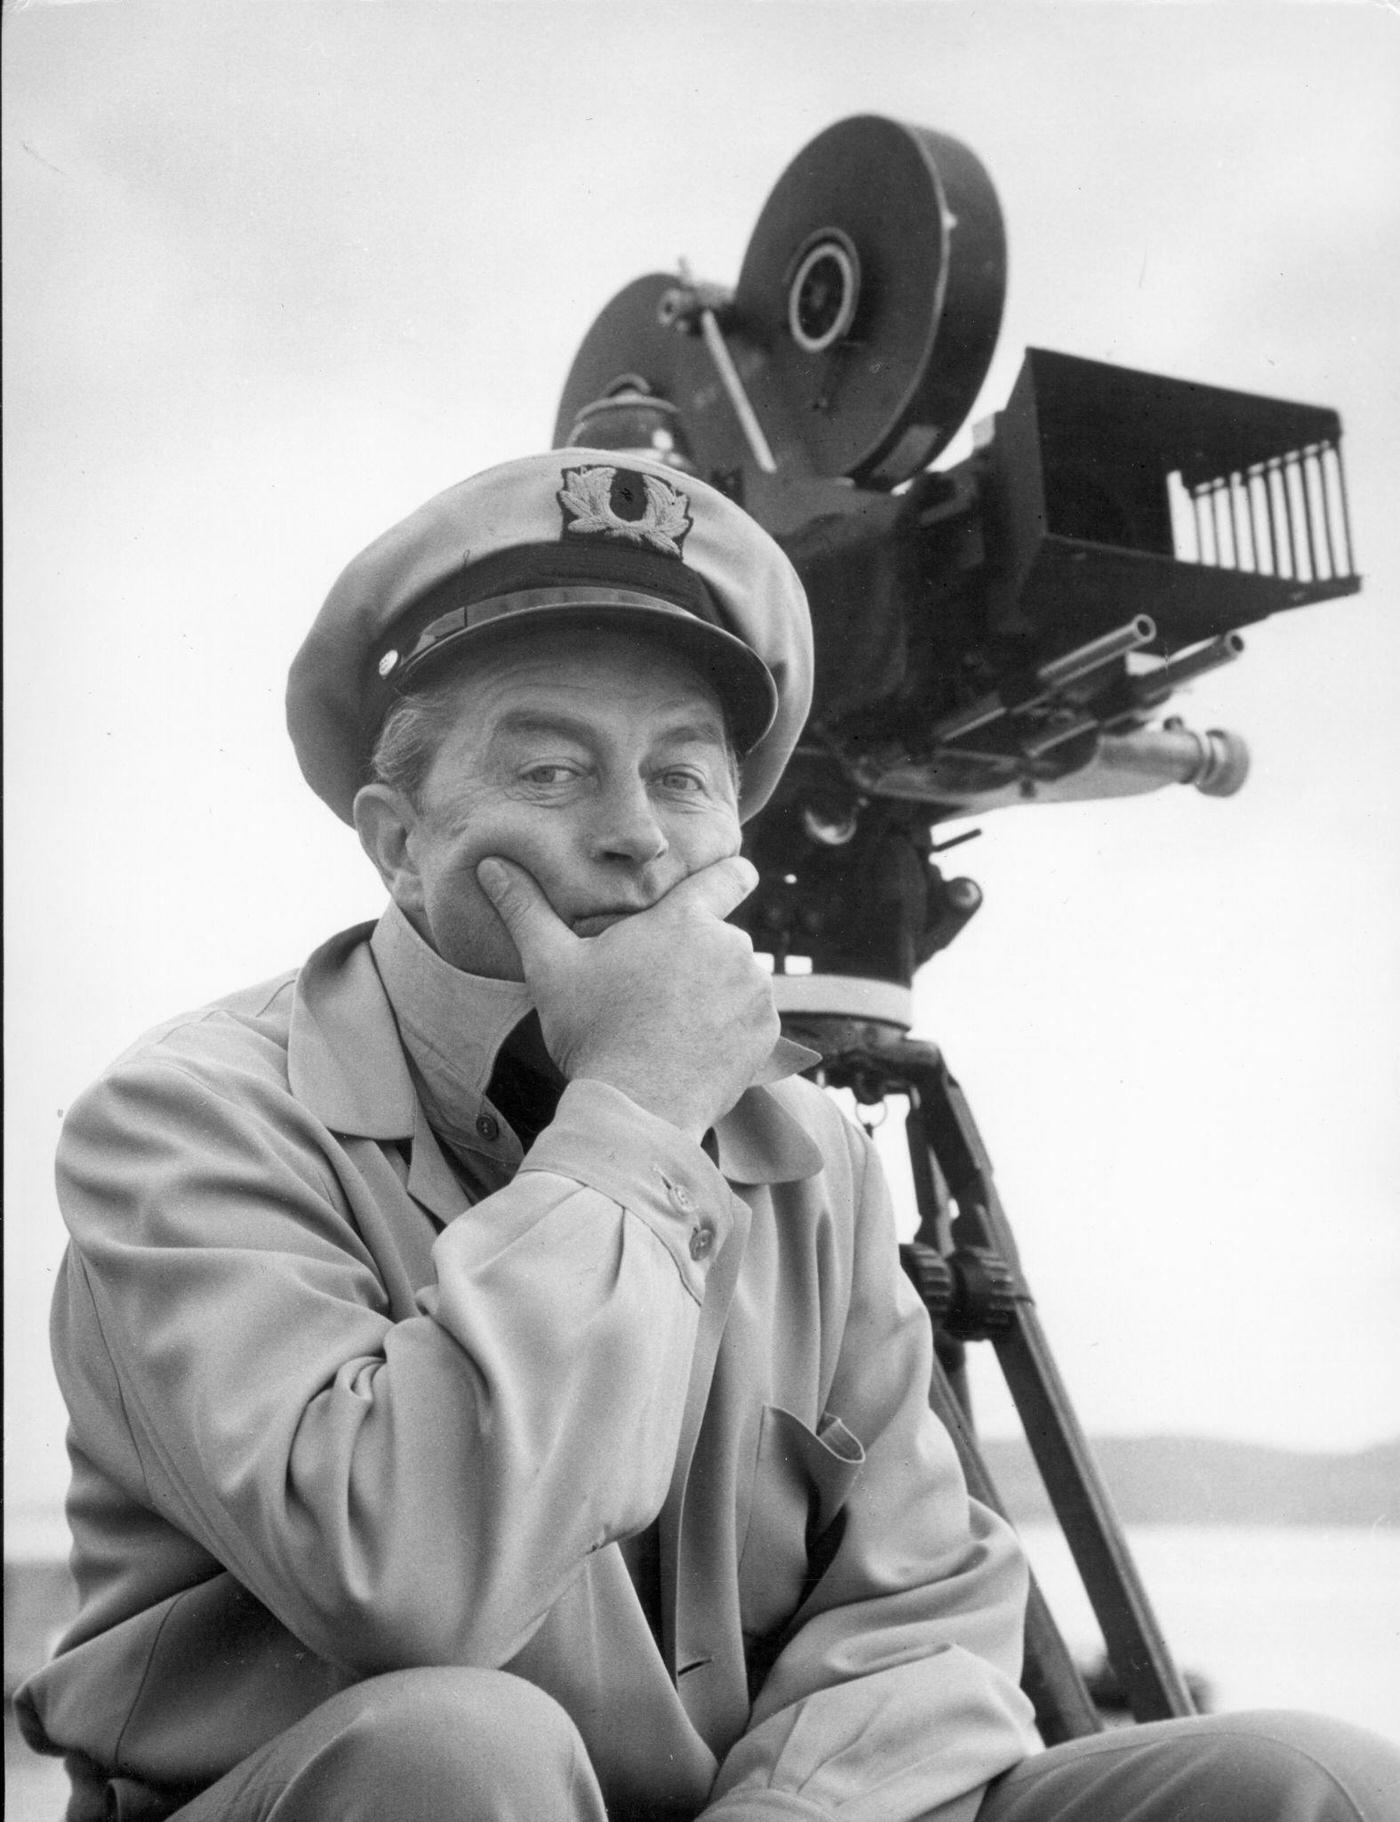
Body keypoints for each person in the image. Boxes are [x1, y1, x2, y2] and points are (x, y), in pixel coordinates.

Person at [17, 452, 1400, 1822]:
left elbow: (923, 1612)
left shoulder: (808, 1150)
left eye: (683, 776)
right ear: (396, 839)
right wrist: (628, 1118)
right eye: (553, 768)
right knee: (456, 1746)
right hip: (383, 1795)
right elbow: (404, 1573)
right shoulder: (191, 1116)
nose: (634, 834)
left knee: (1307, 1780)